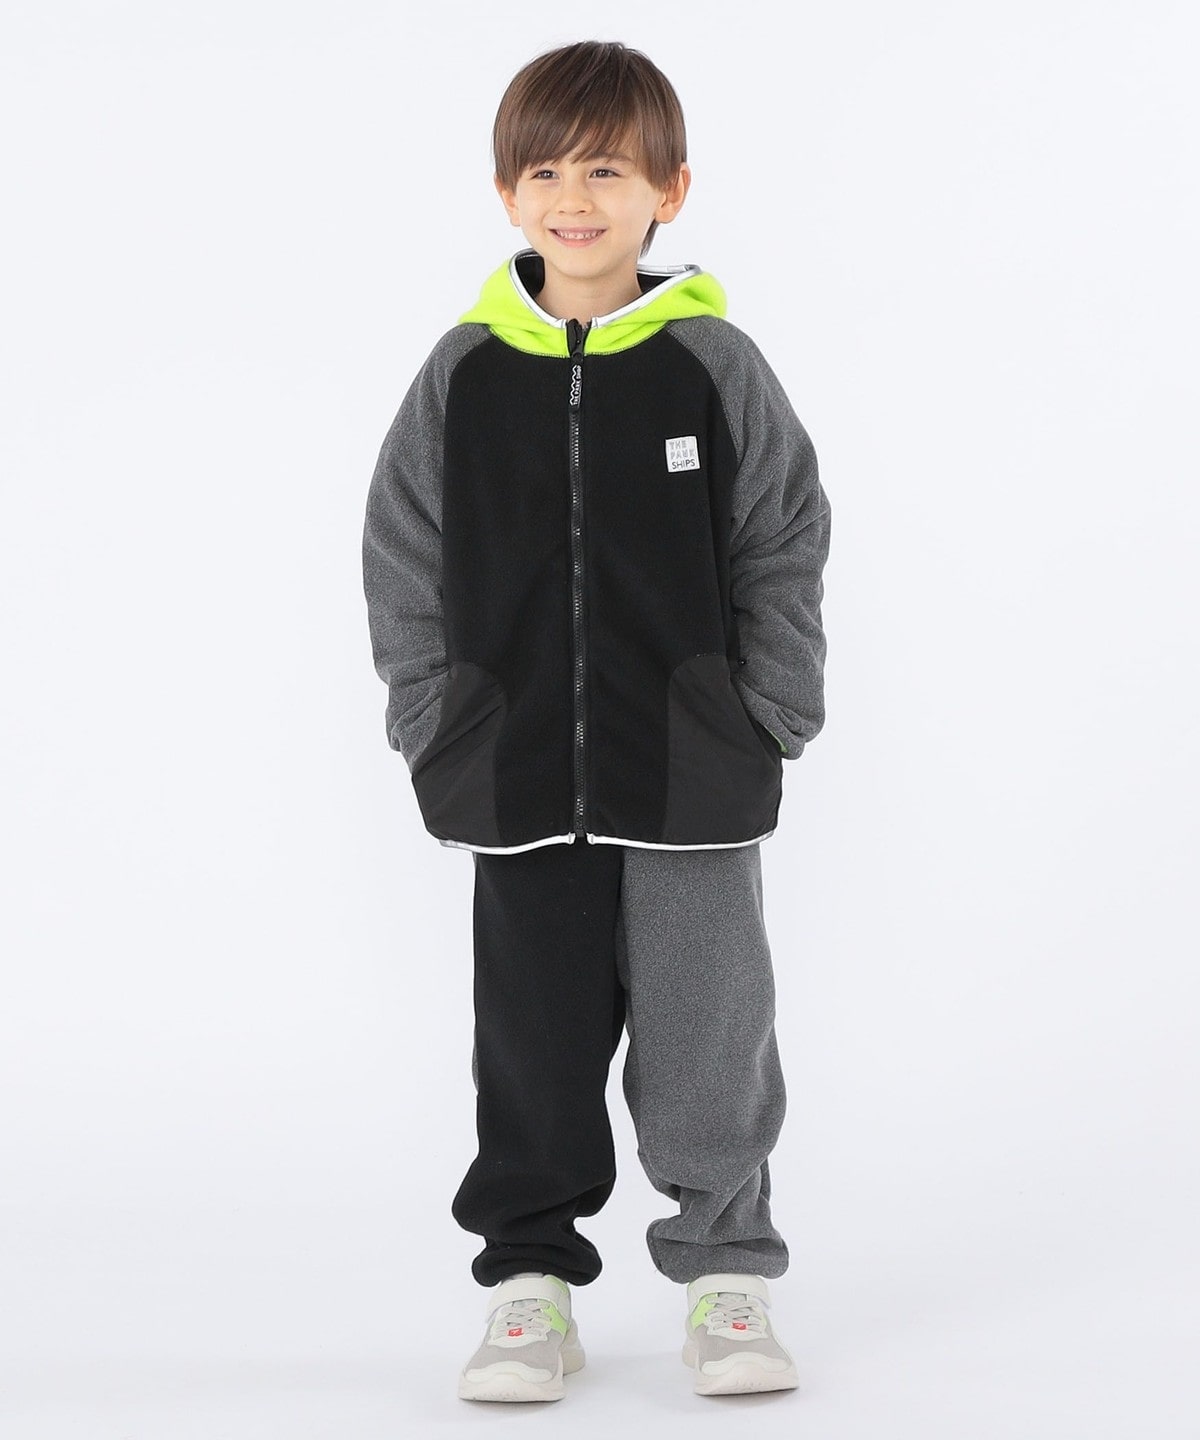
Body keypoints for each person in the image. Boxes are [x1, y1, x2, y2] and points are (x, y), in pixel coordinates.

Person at [362, 38, 832, 1402]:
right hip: (513, 777)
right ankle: (529, 1287)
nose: (576, 199)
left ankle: (728, 1276)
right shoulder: (462, 374)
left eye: (609, 171)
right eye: (549, 172)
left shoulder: (711, 364)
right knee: (532, 1046)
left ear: (668, 192)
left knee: (710, 1032)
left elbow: (781, 539)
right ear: (507, 193)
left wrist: (772, 709)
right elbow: (401, 553)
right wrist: (432, 719)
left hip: (694, 772)